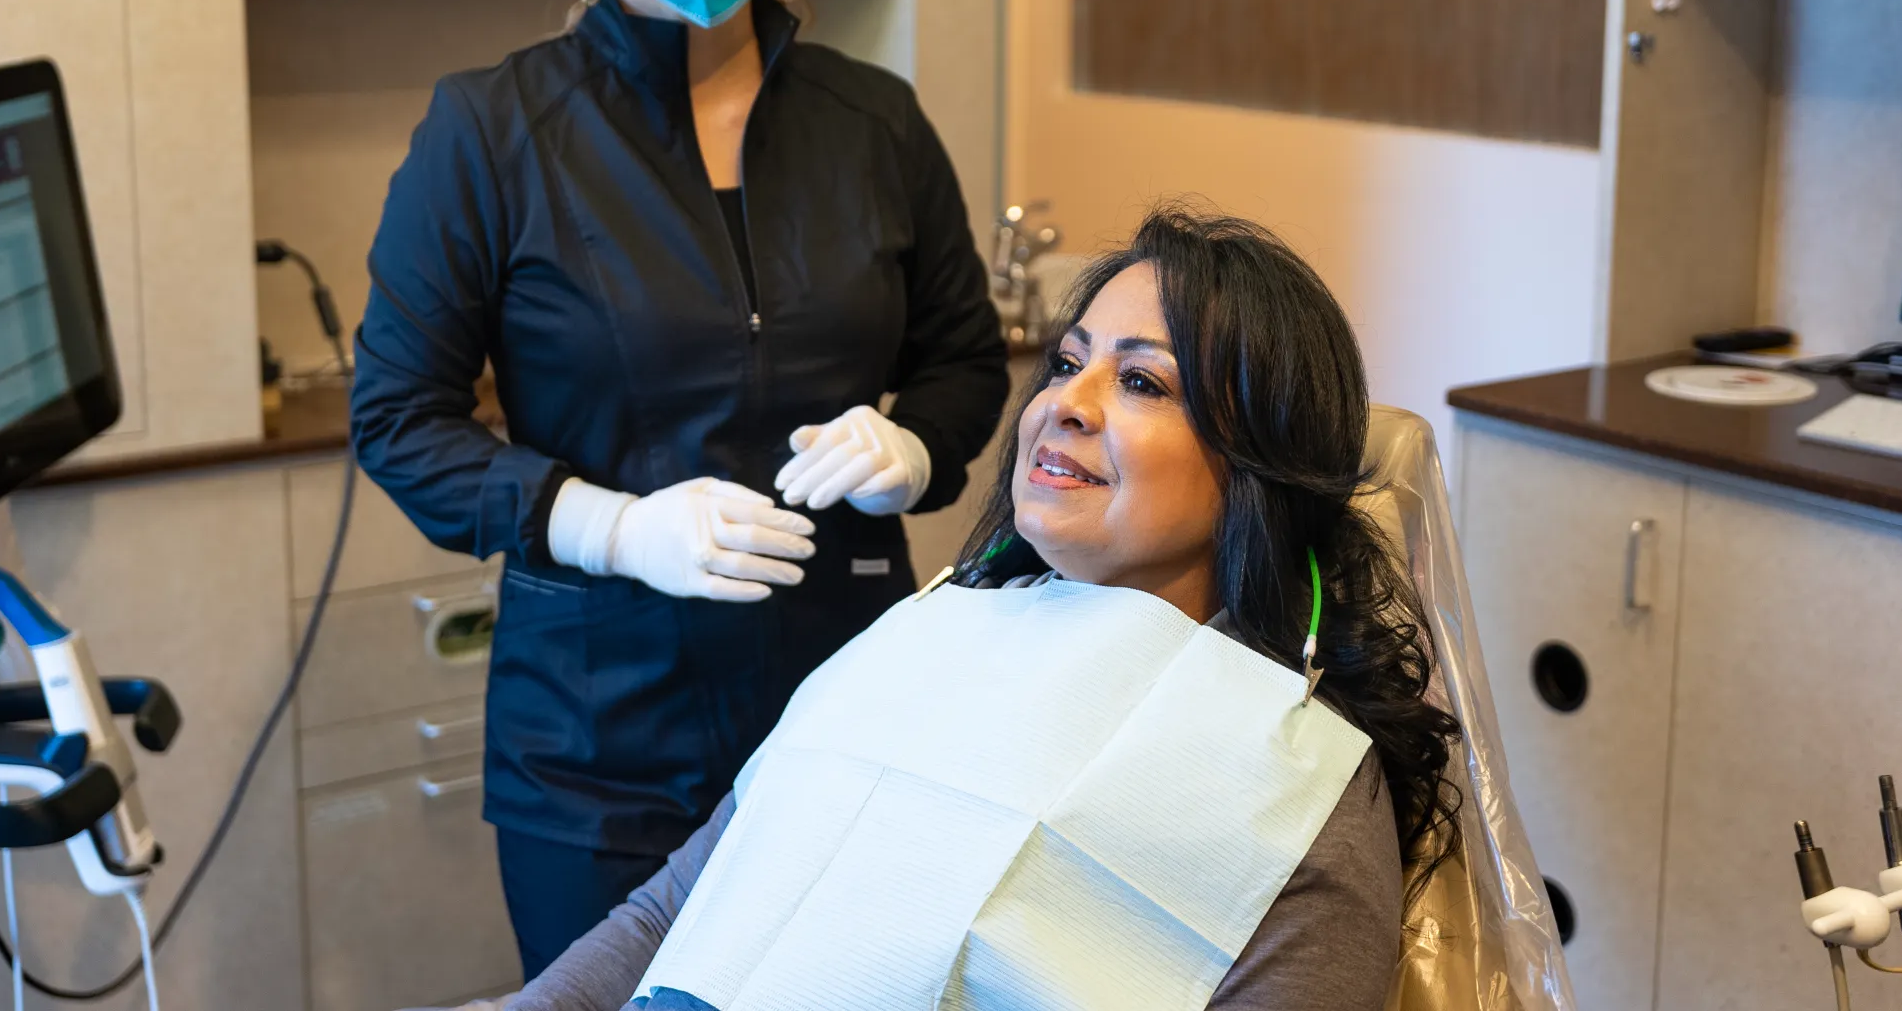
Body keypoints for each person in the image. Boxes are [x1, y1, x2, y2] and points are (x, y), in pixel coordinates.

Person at [349, 0, 1010, 979]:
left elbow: (966, 363)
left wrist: (920, 448)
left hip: (851, 700)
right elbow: (400, 424)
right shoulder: (490, 132)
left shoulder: (875, 122)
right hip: (598, 749)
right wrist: (609, 524)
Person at [478, 207, 1465, 1011]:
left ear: (1257, 463)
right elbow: (672, 911)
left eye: (1138, 381)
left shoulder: (1284, 781)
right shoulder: (927, 636)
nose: (1062, 404)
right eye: (1066, 361)